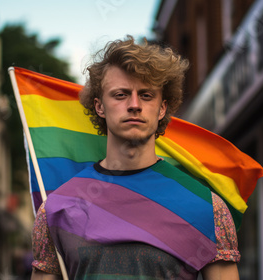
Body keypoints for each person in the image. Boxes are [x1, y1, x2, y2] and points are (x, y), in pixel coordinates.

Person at [31, 36, 240, 280]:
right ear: (99, 106)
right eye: (120, 95)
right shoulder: (56, 208)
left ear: (162, 108)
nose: (134, 105)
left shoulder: (208, 208)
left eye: (146, 95)